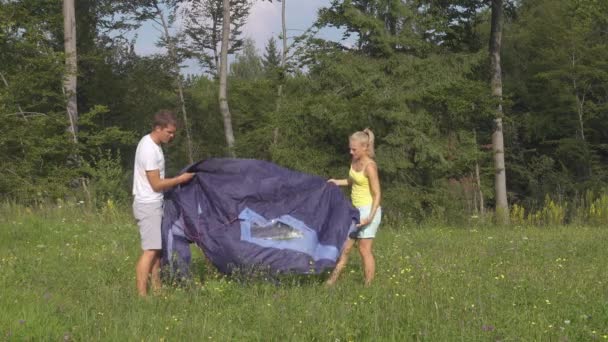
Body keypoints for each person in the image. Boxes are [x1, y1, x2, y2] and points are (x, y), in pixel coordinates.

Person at [132, 110, 194, 296]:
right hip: (148, 205)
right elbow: (157, 184)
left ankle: (157, 289)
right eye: (169, 132)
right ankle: (142, 296)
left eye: (173, 132)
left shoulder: (154, 145)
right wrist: (180, 179)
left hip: (153, 204)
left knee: (157, 251)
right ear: (158, 128)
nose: (172, 136)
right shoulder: (149, 150)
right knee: (150, 251)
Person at [326, 128, 382, 286]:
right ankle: (330, 282)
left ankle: (368, 286)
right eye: (350, 148)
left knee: (364, 250)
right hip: (354, 210)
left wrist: (369, 217)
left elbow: (377, 194)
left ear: (365, 147)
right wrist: (337, 181)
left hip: (368, 211)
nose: (351, 152)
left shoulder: (370, 166)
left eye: (354, 149)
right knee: (345, 249)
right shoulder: (354, 161)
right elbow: (352, 181)